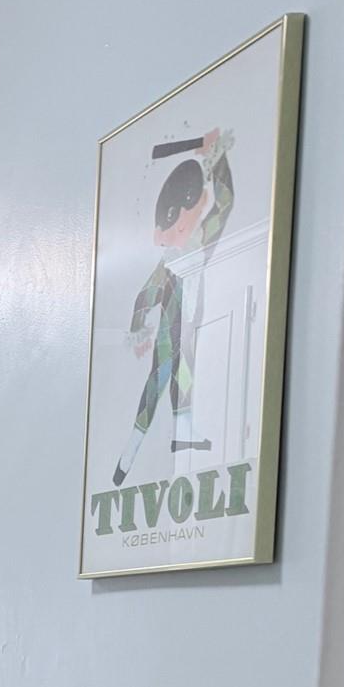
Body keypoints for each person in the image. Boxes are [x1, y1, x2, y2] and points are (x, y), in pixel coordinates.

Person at [113, 128, 235, 487]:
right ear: (183, 213)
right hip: (171, 334)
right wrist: (138, 330)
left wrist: (216, 159)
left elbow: (224, 202)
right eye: (197, 205)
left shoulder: (200, 243)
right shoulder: (171, 261)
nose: (203, 207)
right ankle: (128, 456)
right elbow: (144, 296)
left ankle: (180, 433)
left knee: (183, 379)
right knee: (158, 385)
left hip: (189, 330)